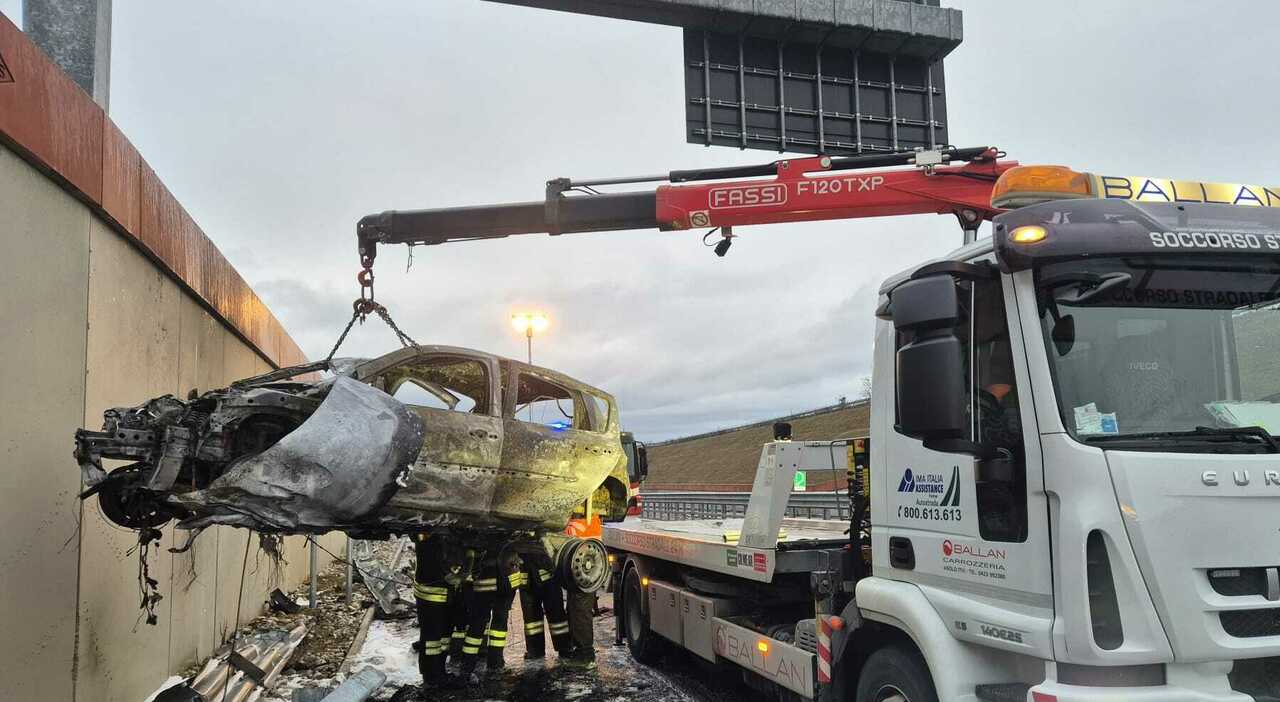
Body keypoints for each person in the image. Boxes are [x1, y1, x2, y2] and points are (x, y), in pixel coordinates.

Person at [411, 534, 453, 689]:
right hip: (431, 596)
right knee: (431, 638)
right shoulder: (428, 541)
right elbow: (437, 563)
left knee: (442, 637)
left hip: (441, 595)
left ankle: (439, 672)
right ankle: (430, 676)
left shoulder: (438, 539)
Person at [517, 552, 571, 658]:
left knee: (556, 616)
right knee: (532, 620)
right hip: (528, 582)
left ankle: (564, 648)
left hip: (547, 579)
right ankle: (535, 650)